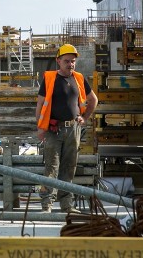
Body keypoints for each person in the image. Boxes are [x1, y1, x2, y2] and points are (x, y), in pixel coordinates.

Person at [35, 44, 98, 213]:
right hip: (53, 130)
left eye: (73, 61)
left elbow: (93, 100)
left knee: (69, 167)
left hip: (73, 129)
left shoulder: (78, 79)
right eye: (66, 61)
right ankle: (47, 204)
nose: (70, 64)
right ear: (58, 61)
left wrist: (84, 118)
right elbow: (40, 104)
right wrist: (40, 128)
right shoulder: (49, 79)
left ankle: (66, 205)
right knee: (51, 167)